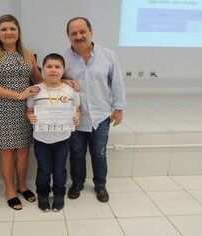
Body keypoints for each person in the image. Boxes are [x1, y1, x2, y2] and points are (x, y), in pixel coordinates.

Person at [0, 14, 43, 210]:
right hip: (2, 109)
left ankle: (22, 185)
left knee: (24, 150)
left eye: (12, 29)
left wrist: (63, 82)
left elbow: (40, 80)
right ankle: (9, 189)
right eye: (4, 29)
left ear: (18, 32)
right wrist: (18, 95)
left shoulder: (27, 54)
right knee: (7, 152)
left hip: (26, 109)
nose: (8, 32)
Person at [64, 17, 126, 203]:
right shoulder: (64, 58)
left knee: (99, 154)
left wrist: (119, 108)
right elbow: (55, 80)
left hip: (101, 115)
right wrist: (64, 81)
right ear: (68, 37)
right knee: (76, 154)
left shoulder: (108, 55)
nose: (79, 36)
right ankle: (77, 183)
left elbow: (117, 83)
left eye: (82, 31)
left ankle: (100, 185)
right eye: (73, 33)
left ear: (91, 32)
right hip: (75, 117)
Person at [27, 53, 80, 212]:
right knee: (43, 170)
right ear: (43, 70)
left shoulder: (71, 90)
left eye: (57, 67)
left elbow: (76, 110)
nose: (53, 70)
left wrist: (76, 117)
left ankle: (59, 195)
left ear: (63, 70)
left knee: (59, 170)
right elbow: (29, 110)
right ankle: (43, 195)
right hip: (41, 139)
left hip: (63, 138)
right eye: (49, 66)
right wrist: (31, 117)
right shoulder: (36, 90)